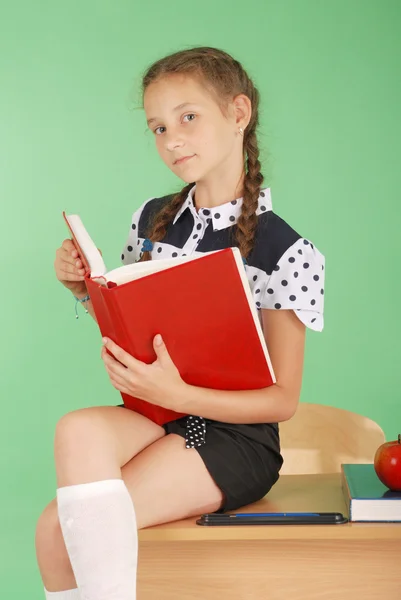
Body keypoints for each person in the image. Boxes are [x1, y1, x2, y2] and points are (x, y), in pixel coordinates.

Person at [35, 46, 325, 599]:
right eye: (158, 127)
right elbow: (135, 318)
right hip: (157, 414)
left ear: (238, 114)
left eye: (188, 117)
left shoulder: (287, 251)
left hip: (234, 440)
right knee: (72, 443)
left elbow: (282, 400)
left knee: (59, 531)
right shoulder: (151, 220)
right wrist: (82, 285)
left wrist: (181, 392)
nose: (172, 140)